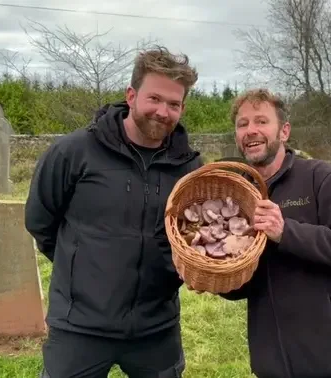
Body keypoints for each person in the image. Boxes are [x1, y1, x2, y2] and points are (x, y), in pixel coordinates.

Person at [24, 46, 202, 378]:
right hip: (79, 327)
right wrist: (81, 268)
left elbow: (193, 235)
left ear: (182, 107)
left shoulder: (189, 167)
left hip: (156, 327)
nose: (163, 112)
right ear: (131, 95)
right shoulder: (73, 152)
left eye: (173, 104)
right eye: (154, 98)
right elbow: (40, 222)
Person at [197, 88, 331, 378]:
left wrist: (286, 232)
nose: (250, 130)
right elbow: (247, 286)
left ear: (284, 131)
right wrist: (216, 278)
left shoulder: (320, 178)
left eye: (261, 121)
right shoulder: (238, 198)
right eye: (242, 124)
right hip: (277, 368)